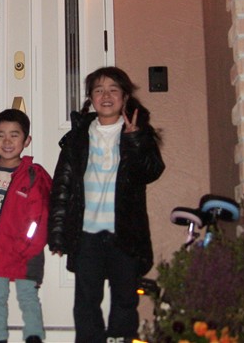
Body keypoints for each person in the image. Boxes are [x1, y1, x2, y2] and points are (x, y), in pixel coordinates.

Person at [48, 66, 165, 343]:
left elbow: (151, 171)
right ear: (91, 98)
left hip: (124, 232)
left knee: (125, 298)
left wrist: (135, 140)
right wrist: (58, 232)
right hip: (86, 234)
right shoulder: (78, 137)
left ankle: (120, 339)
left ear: (125, 97)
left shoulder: (136, 133)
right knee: (86, 301)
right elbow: (62, 186)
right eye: (99, 90)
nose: (106, 95)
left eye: (113, 90)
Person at [0, 109, 53, 343]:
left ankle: (34, 336)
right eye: (1, 135)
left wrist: (29, 245)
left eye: (14, 135)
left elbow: (40, 216)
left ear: (27, 141)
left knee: (28, 296)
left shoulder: (33, 175)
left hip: (25, 251)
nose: (7, 141)